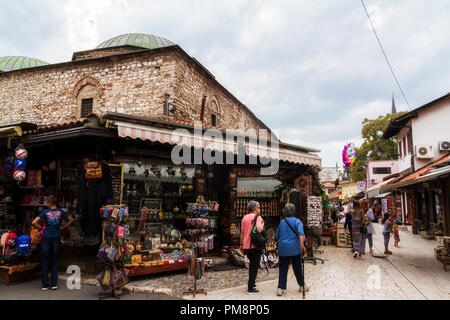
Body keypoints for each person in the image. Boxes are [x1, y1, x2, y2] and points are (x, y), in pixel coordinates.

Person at [32, 195, 74, 290]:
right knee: (55, 259)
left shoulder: (45, 212)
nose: (46, 203)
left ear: (50, 203)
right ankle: (54, 284)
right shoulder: (60, 211)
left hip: (46, 236)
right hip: (56, 236)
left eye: (47, 202)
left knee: (44, 260)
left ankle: (45, 284)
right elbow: (71, 219)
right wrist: (63, 227)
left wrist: (41, 227)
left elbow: (34, 222)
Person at [275, 204, 309, 296]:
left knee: (283, 268)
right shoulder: (297, 221)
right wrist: (302, 246)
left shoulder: (282, 222)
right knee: (297, 267)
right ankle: (302, 285)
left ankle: (280, 288)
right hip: (295, 248)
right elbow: (301, 234)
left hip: (283, 248)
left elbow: (277, 236)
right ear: (294, 212)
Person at [240, 200, 264, 295]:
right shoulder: (258, 217)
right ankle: (250, 288)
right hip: (254, 245)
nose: (259, 209)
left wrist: (241, 244)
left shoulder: (244, 218)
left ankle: (252, 283)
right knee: (254, 266)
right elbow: (259, 229)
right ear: (255, 209)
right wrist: (262, 224)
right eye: (259, 207)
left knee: (252, 265)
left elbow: (242, 232)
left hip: (246, 245)